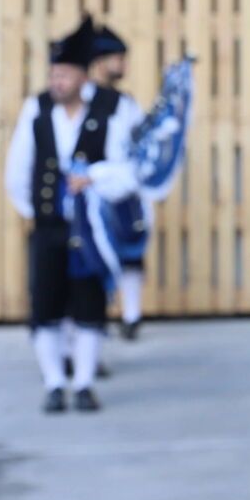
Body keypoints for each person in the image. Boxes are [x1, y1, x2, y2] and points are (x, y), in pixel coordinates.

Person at [3, 18, 142, 413]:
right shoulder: (37, 109)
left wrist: (94, 179)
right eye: (53, 74)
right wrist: (41, 211)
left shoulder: (112, 109)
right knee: (45, 309)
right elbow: (18, 169)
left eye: (64, 74)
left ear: (83, 76)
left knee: (88, 307)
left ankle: (83, 383)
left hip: (92, 229)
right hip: (49, 227)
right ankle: (53, 382)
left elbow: (127, 170)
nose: (57, 82)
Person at [90, 20, 152, 340]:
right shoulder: (82, 102)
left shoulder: (125, 103)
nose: (123, 65)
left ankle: (131, 316)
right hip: (91, 192)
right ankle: (92, 323)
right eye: (118, 58)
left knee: (131, 252)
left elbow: (138, 143)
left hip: (124, 190)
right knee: (93, 259)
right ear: (100, 61)